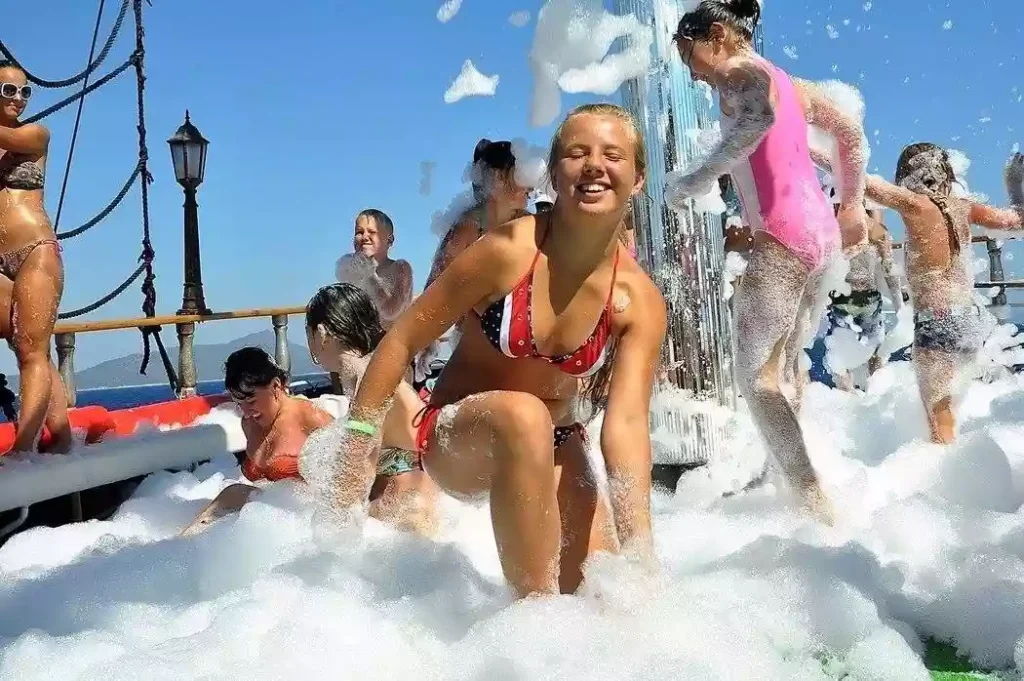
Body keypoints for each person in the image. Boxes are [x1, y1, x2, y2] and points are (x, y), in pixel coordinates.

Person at [322, 103, 666, 598]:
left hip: (556, 442)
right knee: (524, 416)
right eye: (576, 153)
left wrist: (641, 550)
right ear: (551, 174)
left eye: (613, 154)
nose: (594, 165)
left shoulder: (639, 300)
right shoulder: (508, 250)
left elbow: (627, 424)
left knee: (611, 600)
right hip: (454, 435)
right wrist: (356, 444)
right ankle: (534, 626)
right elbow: (401, 339)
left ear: (636, 179)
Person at [667, 0, 869, 521]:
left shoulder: (740, 72)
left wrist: (694, 179)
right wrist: (850, 205)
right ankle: (778, 474)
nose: (693, 75)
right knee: (784, 369)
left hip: (783, 237)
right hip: (820, 233)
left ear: (717, 35)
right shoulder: (787, 79)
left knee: (755, 380)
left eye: (690, 57)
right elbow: (848, 134)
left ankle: (808, 497)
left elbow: (758, 119)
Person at [861, 146, 1024, 443]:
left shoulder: (913, 204)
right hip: (969, 322)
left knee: (940, 419)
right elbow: (1018, 221)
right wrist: (1014, 185)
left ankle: (949, 478)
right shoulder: (964, 206)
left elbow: (861, 180)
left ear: (908, 176)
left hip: (936, 323)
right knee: (960, 400)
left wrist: (811, 149)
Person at [302, 283, 437, 535]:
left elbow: (362, 461)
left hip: (408, 518)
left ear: (321, 334)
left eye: (307, 333)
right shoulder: (378, 368)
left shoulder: (368, 379)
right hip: (413, 509)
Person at [414, 139, 532, 392]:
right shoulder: (469, 227)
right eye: (522, 171)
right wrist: (424, 342)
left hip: (522, 345)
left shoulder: (529, 223)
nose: (531, 180)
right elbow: (435, 287)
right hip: (477, 348)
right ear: (499, 177)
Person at [181, 347, 334, 535]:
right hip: (266, 521)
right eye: (238, 403)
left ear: (276, 386)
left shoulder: (311, 417)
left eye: (251, 400)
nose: (245, 411)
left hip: (306, 520)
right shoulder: (249, 424)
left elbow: (353, 468)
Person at [0, 61, 68, 453]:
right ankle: (61, 437)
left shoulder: (34, 134)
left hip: (35, 252)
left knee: (30, 349)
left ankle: (23, 450)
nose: (19, 99)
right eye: (9, 91)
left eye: (25, 91)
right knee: (27, 345)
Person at [826, 208, 904, 390]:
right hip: (840, 301)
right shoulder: (831, 227)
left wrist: (899, 304)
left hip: (868, 301)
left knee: (876, 355)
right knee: (838, 363)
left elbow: (889, 269)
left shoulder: (876, 230)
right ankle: (845, 402)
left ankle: (874, 399)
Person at [335, 209, 412, 328]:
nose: (365, 237)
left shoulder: (400, 268)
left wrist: (370, 274)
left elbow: (392, 311)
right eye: (359, 232)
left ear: (389, 240)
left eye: (372, 232)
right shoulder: (350, 266)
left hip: (392, 340)